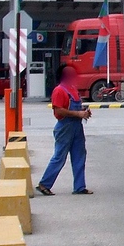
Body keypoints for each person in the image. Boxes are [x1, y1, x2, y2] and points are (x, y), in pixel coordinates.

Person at [36, 64, 93, 195]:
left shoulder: (73, 89)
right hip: (64, 127)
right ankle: (44, 184)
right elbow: (58, 110)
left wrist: (84, 112)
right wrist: (78, 114)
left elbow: (75, 107)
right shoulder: (59, 90)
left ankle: (79, 187)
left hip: (77, 127)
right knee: (59, 157)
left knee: (79, 156)